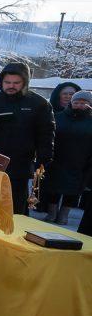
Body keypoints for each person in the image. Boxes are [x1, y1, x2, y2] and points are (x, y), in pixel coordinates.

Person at [0, 62, 54, 216]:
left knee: (13, 206)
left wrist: (43, 158)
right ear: (1, 82)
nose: (11, 86)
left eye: (16, 83)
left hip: (19, 164)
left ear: (25, 82)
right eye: (7, 82)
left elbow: (46, 133)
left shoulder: (39, 104)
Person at [41, 90, 91, 225]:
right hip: (57, 158)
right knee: (53, 187)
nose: (79, 105)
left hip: (80, 161)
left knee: (73, 190)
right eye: (76, 102)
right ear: (71, 103)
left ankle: (64, 215)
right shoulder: (58, 117)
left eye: (83, 103)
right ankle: (52, 213)